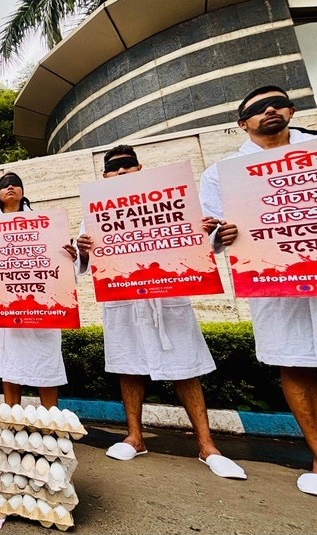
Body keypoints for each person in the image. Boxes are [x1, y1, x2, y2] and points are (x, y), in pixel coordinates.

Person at [76, 145, 246, 479]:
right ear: (105, 175)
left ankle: (207, 444)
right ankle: (135, 437)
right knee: (129, 367)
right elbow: (85, 258)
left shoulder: (171, 198)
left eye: (127, 167)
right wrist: (82, 250)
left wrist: (210, 233)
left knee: (186, 368)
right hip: (123, 301)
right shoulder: (93, 210)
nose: (121, 173)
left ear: (140, 169)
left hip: (168, 300)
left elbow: (201, 244)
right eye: (114, 169)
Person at [199, 85, 317, 495]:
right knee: (294, 360)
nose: (269, 109)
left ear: (291, 110)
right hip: (273, 282)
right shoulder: (220, 173)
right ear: (242, 123)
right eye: (256, 107)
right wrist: (220, 233)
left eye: (277, 103)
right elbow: (209, 229)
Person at [0, 172, 76, 408]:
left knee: (44, 364)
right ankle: (12, 420)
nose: (11, 187)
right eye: (5, 185)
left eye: (16, 184)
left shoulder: (43, 223)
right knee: (9, 366)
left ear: (23, 191)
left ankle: (51, 420)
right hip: (4, 310)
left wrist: (70, 257)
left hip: (38, 307)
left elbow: (58, 262)